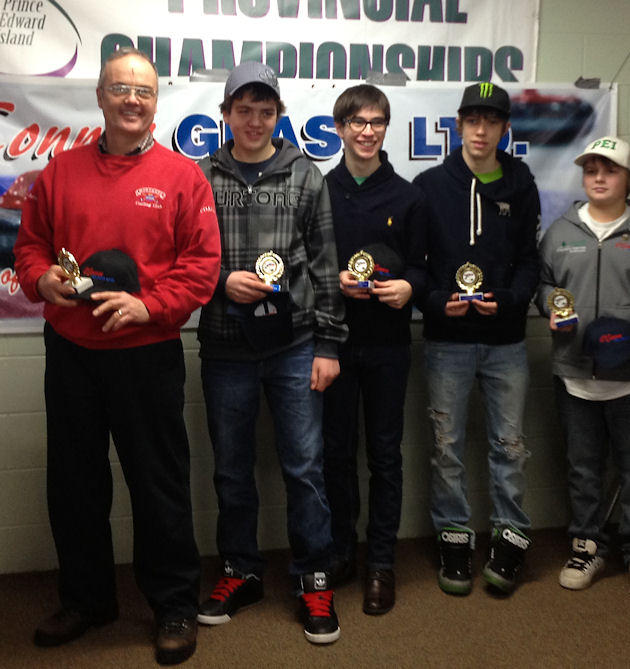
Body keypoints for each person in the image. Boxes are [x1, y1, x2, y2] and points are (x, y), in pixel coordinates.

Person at [12, 47, 221, 665]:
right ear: (100, 97)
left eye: (144, 91)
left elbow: (201, 267)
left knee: (158, 484)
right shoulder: (60, 172)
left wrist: (148, 306)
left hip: (146, 354)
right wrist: (41, 279)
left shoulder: (184, 177)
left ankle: (174, 604)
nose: (133, 99)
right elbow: (31, 247)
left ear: (156, 104)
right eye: (121, 88)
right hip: (72, 352)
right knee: (74, 482)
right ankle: (87, 599)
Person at [195, 62, 347, 644]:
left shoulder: (306, 176)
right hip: (226, 348)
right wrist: (220, 282)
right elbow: (184, 257)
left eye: (265, 110)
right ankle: (241, 570)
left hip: (295, 346)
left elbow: (326, 266)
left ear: (279, 115)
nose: (254, 120)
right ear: (226, 114)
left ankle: (314, 576)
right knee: (231, 468)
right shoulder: (200, 176)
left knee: (304, 467)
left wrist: (328, 344)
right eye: (244, 110)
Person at [413, 82, 540, 596]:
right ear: (459, 125)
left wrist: (510, 301)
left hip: (506, 340)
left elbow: (530, 261)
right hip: (447, 340)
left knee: (510, 446)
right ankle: (454, 537)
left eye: (491, 121)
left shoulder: (521, 182)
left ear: (505, 128)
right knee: (447, 448)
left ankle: (510, 539)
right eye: (472, 120)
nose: (481, 130)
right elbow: (415, 265)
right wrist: (434, 300)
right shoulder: (429, 184)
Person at [536, 136, 630, 604]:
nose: (598, 178)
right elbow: (544, 284)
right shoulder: (560, 230)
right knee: (582, 469)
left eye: (609, 170)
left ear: (627, 178)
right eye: (591, 170)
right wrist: (550, 307)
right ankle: (586, 547)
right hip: (574, 373)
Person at [322, 84, 427, 615]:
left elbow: (426, 267)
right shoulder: (322, 191)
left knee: (385, 456)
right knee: (335, 454)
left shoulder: (408, 196)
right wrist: (333, 281)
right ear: (339, 129)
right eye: (357, 122)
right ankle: (342, 550)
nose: (367, 132)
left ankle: (381, 561)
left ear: (386, 128)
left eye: (377, 122)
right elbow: (307, 264)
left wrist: (409, 286)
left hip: (388, 346)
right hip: (335, 345)